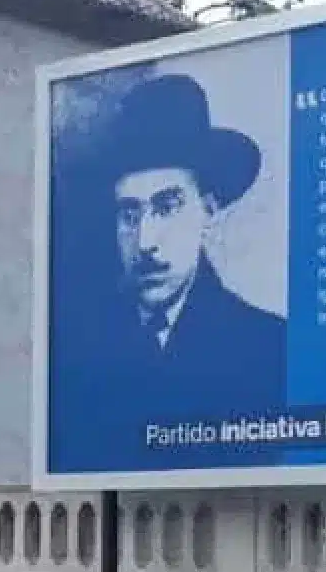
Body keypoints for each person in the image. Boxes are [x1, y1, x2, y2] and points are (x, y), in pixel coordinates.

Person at [86, 72, 287, 468]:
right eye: (129, 215)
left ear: (207, 211)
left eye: (167, 207)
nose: (146, 241)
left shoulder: (271, 348)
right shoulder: (81, 349)